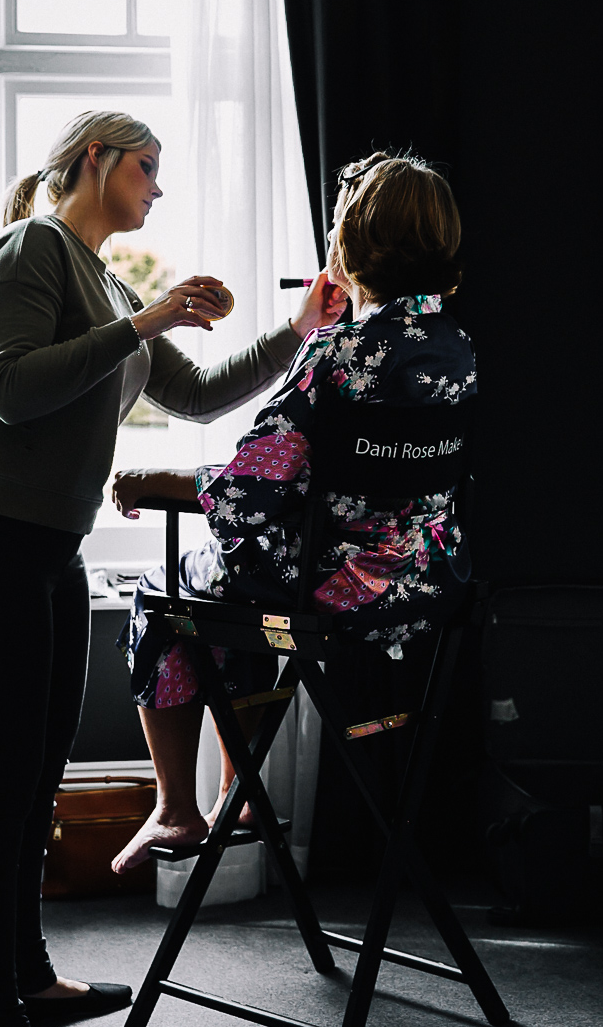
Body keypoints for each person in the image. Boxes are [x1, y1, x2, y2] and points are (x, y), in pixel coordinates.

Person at [0, 110, 342, 1027]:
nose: (157, 186)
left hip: (44, 552)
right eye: (146, 168)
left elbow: (193, 398)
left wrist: (297, 332)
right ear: (95, 162)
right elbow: (11, 391)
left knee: (36, 776)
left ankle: (32, 979)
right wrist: (145, 323)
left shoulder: (107, 279)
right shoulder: (32, 251)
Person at [110, 151, 474, 873]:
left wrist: (146, 478)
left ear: (351, 245)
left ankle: (179, 809)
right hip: (421, 588)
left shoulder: (337, 354)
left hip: (325, 594)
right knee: (232, 580)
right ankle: (235, 793)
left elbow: (251, 485)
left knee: (163, 594)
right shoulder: (458, 349)